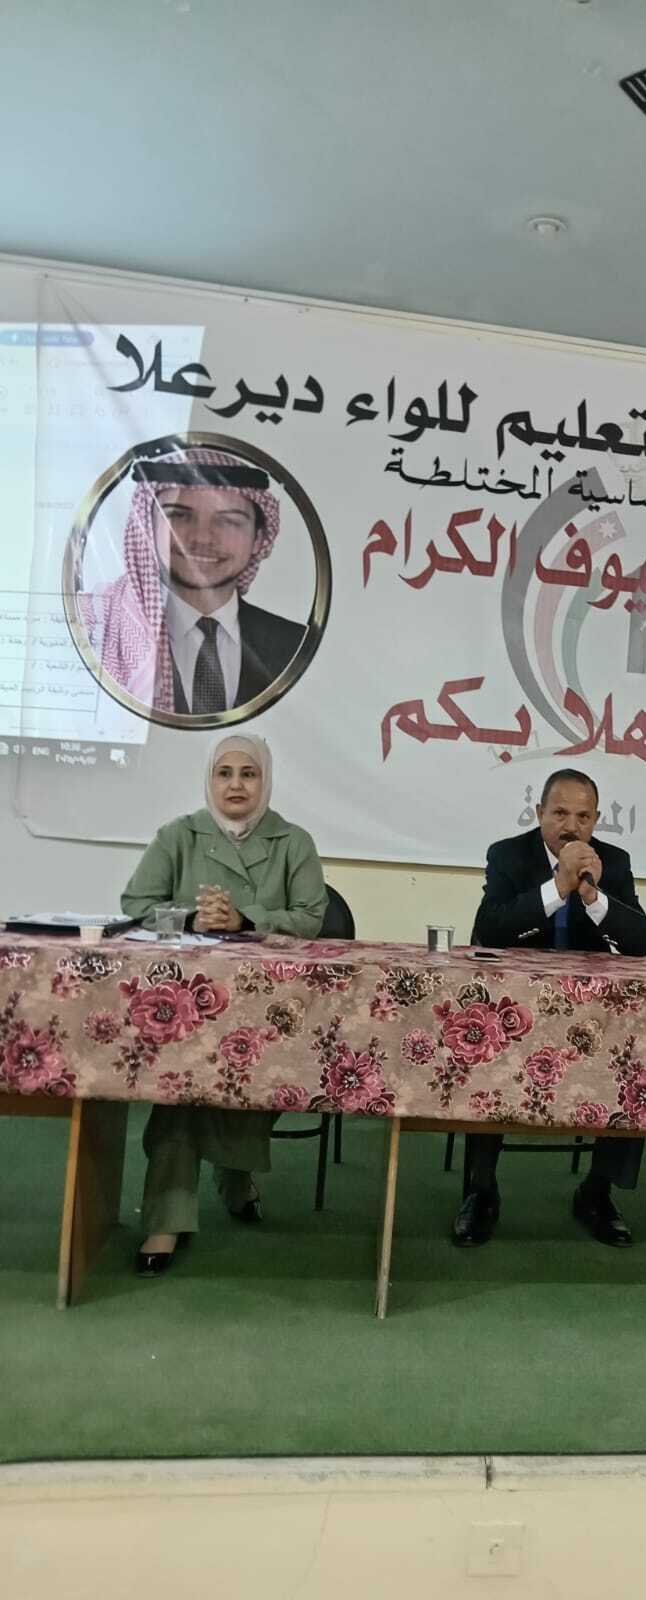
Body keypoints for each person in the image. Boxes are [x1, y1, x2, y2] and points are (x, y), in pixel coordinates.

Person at [121, 733, 327, 1276]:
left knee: (255, 1072)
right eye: (225, 773)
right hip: (185, 1008)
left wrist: (247, 918)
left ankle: (233, 1173)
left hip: (266, 1008)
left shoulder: (293, 841)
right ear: (210, 780)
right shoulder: (178, 834)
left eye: (249, 774)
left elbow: (312, 917)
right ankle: (165, 1219)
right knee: (180, 1083)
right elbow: (135, 904)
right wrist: (192, 917)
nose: (236, 785)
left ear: (265, 780)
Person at [456, 768, 646, 1249]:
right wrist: (556, 888)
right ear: (539, 813)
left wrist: (592, 896)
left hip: (590, 1016)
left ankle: (597, 1192)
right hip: (516, 1011)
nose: (571, 826)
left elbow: (639, 943)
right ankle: (481, 1190)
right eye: (560, 813)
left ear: (596, 820)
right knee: (482, 1047)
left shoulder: (612, 862)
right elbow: (491, 930)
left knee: (640, 1055)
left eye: (583, 816)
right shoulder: (508, 855)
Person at [79, 446, 307, 716]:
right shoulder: (95, 630)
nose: (202, 538)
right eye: (178, 515)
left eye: (229, 521)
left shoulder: (295, 644)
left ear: (258, 539)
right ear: (147, 528)